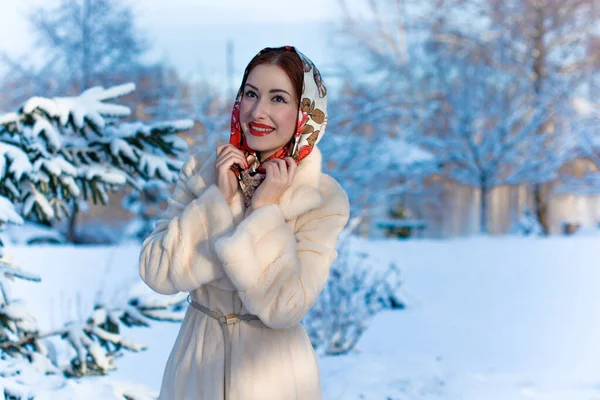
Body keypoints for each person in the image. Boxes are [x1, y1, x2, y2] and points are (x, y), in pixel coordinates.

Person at [139, 45, 350, 400]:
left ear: (305, 113)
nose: (258, 110)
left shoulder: (322, 198)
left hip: (274, 376)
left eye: (278, 98)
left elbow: (286, 307)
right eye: (250, 94)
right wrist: (219, 203)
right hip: (195, 370)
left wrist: (264, 211)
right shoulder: (203, 171)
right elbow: (156, 272)